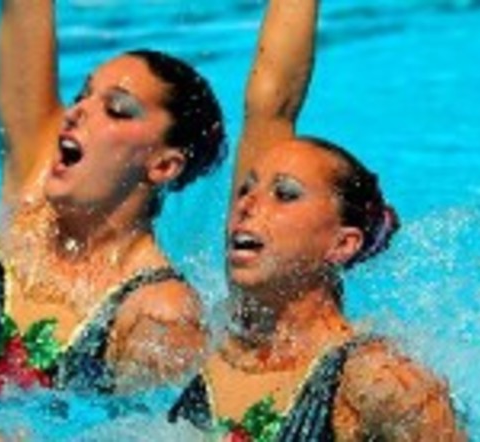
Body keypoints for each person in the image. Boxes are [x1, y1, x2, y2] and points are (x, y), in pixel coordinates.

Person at [0, 0, 225, 397]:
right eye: (83, 95)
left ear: (163, 165)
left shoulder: (157, 313)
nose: (76, 111)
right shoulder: (32, 189)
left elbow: (150, 426)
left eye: (116, 109)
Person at [169, 0, 464, 440]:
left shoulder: (380, 382)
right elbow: (268, 105)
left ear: (341, 244)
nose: (247, 204)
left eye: (285, 195)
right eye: (246, 188)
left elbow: (278, 103)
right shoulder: (228, 333)